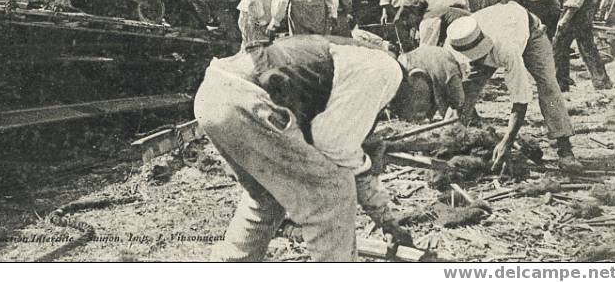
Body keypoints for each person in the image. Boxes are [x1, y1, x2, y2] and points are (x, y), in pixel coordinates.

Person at [194, 34, 465, 261]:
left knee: (266, 198)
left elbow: (338, 147)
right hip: (246, 99)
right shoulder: (387, 71)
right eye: (431, 102)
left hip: (217, 93)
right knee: (333, 192)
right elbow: (332, 144)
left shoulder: (371, 66)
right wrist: (363, 167)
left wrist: (387, 220)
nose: (427, 115)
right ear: (417, 76)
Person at [445, 0, 584, 174]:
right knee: (465, 93)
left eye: (478, 57)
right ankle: (450, 144)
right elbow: (454, 95)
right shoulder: (459, 39)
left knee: (548, 86)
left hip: (531, 34)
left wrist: (506, 143)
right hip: (494, 31)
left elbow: (520, 101)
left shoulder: (507, 50)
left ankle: (565, 149)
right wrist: (448, 136)